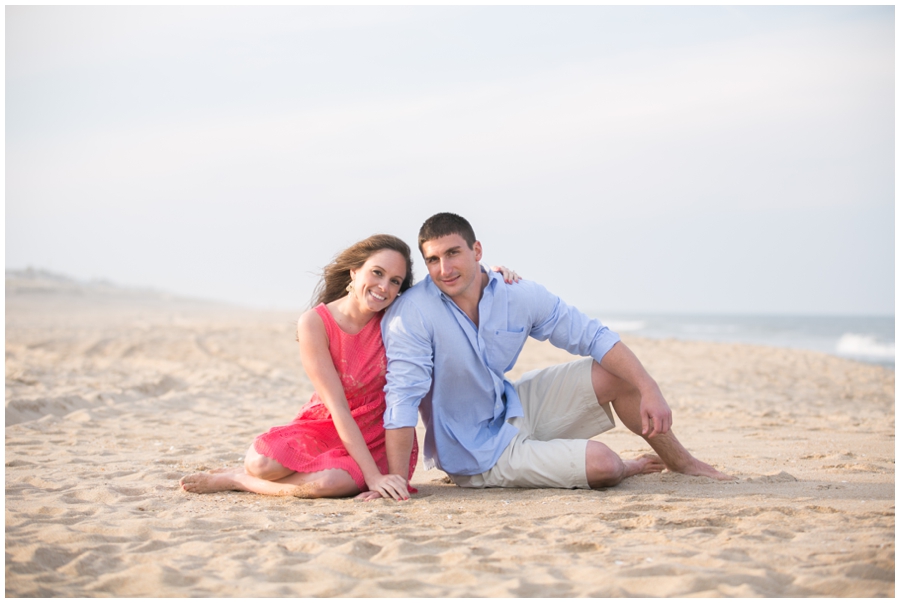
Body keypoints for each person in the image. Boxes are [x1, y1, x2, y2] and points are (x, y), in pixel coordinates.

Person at [361, 213, 731, 501]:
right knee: (604, 464)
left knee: (620, 374)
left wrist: (649, 387)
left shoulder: (516, 293)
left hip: (511, 405)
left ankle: (681, 462)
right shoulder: (413, 312)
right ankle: (623, 465)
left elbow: (593, 335)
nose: (445, 269)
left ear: (476, 251)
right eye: (433, 260)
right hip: (474, 452)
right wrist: (397, 482)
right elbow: (403, 399)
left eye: (453, 253)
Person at [180, 234, 519, 500]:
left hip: (377, 435)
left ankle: (239, 482)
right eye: (377, 273)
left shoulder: (399, 316)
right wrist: (371, 479)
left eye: (396, 281)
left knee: (329, 483)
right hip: (327, 423)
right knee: (260, 462)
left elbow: (450, 288)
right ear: (354, 271)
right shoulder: (315, 322)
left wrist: (492, 275)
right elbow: (337, 407)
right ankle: (243, 475)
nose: (384, 287)